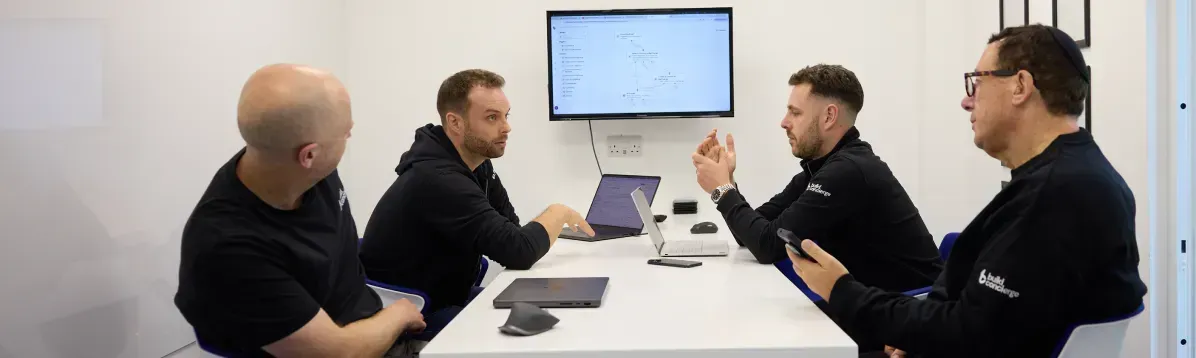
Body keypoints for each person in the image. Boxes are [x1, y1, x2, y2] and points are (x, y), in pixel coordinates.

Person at [790, 25, 1148, 358]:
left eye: (976, 83)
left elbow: (969, 332)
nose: (967, 101)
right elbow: (991, 318)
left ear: (1020, 86)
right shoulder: (1077, 176)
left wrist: (841, 289)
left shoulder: (1057, 194)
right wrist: (915, 335)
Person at [174, 64, 426, 357]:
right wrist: (399, 315)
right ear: (309, 155)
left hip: (372, 327)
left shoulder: (293, 164)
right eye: (346, 133)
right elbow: (339, 354)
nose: (349, 136)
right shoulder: (229, 248)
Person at [359, 69, 593, 340]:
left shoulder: (478, 166)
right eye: (492, 117)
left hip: (448, 295)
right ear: (455, 123)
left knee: (552, 317)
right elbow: (520, 250)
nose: (506, 127)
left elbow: (511, 233)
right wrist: (558, 212)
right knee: (535, 339)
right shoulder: (438, 180)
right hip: (417, 311)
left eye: (506, 116)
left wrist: (531, 234)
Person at [691, 64, 942, 293]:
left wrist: (721, 190)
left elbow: (766, 246)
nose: (784, 122)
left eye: (795, 113)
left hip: (907, 317)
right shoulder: (822, 168)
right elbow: (752, 235)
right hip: (874, 305)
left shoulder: (848, 171)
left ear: (829, 116)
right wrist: (727, 181)